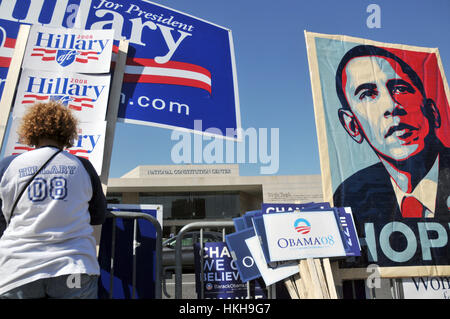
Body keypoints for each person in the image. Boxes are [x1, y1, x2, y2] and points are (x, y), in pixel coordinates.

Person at [0, 101, 106, 299]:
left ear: (31, 131)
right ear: (67, 133)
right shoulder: (83, 166)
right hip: (72, 266)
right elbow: (98, 216)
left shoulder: (8, 166)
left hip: (18, 269)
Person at [333, 45, 450, 223]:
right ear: (352, 126)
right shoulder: (349, 196)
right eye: (367, 94)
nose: (391, 106)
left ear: (432, 111)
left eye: (400, 89)